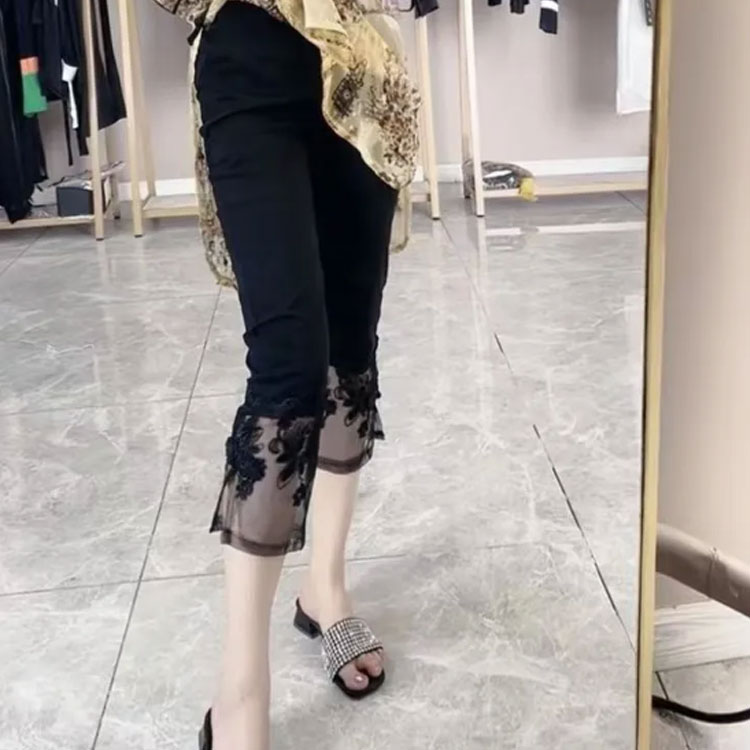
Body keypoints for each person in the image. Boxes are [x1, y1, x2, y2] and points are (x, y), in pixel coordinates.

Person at [151, 0, 419, 747]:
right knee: (287, 368)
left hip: (365, 61)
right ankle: (239, 688)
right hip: (247, 49)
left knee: (349, 352)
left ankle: (325, 587)